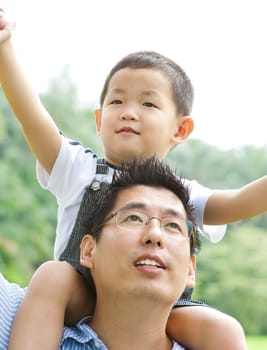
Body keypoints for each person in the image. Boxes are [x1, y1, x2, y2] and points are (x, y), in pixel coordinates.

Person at [0, 5, 261, 349]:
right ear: (98, 119)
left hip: (156, 306)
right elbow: (32, 116)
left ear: (181, 129)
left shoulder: (180, 194)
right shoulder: (77, 167)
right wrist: (4, 47)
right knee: (53, 275)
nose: (129, 112)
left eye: (148, 105)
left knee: (224, 330)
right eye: (117, 101)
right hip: (81, 293)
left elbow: (239, 202)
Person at [1, 156, 201, 349]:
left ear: (190, 270)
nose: (155, 234)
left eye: (173, 225)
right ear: (88, 250)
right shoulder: (14, 320)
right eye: (133, 218)